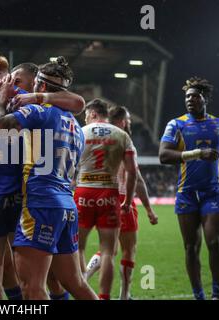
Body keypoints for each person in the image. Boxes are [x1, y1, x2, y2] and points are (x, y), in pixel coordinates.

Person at [0, 57, 97, 300]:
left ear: (41, 86)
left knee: (32, 287)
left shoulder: (37, 110)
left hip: (40, 203)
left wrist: (2, 97)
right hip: (67, 205)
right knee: (75, 282)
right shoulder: (75, 125)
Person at [84, 106, 158, 300]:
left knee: (108, 249)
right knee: (128, 248)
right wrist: (149, 209)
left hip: (97, 194)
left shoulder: (98, 138)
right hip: (122, 197)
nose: (130, 124)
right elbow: (137, 178)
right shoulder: (122, 139)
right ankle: (124, 295)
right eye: (129, 121)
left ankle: (80, 281)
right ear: (123, 121)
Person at [159, 77, 219, 300]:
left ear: (205, 98)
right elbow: (163, 155)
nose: (190, 100)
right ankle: (199, 295)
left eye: (195, 96)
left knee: (214, 242)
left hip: (212, 192)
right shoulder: (176, 124)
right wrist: (197, 154)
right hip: (186, 192)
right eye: (187, 96)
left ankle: (216, 294)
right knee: (190, 247)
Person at [75, 99, 137, 300]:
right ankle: (104, 297)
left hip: (84, 190)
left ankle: (82, 293)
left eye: (86, 114)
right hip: (109, 194)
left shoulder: (80, 132)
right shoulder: (121, 135)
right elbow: (132, 172)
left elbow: (68, 163)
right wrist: (127, 201)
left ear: (92, 114)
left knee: (79, 247)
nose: (85, 118)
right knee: (108, 252)